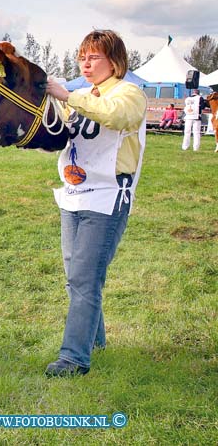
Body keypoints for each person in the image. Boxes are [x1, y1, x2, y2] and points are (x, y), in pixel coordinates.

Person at [44, 30, 146, 377]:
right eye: (82, 58)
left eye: (93, 58)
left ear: (114, 61)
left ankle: (74, 358)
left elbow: (117, 116)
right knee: (76, 277)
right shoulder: (82, 94)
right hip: (74, 194)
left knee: (85, 278)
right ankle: (94, 340)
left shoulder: (130, 93)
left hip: (107, 197)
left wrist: (69, 95)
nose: (85, 64)